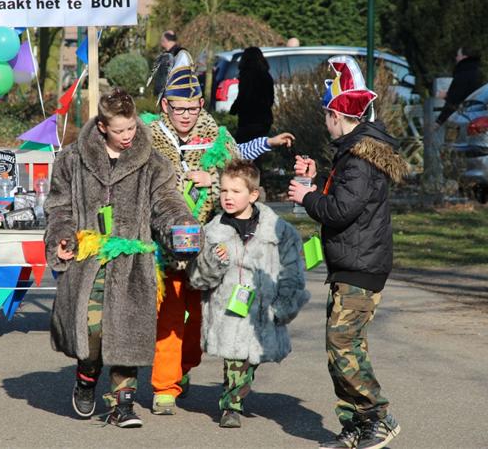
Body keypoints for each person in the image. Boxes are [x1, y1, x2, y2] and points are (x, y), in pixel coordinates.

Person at [44, 87, 196, 428]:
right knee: (92, 331)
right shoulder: (72, 160)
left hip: (133, 262)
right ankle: (87, 376)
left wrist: (181, 223)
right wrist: (61, 237)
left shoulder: (153, 163)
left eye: (131, 128)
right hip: (89, 258)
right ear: (102, 127)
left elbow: (166, 201)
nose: (127, 136)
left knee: (127, 331)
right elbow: (58, 206)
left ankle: (123, 404)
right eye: (119, 130)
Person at [287, 56, 406, 449]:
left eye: (326, 115)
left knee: (343, 344)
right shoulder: (355, 153)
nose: (325, 122)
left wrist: (306, 197)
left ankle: (378, 416)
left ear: (337, 115)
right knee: (341, 348)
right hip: (351, 263)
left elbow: (340, 210)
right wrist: (316, 179)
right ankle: (356, 423)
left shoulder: (359, 158)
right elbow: (345, 196)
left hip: (361, 266)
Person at [147, 64, 240, 415]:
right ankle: (164, 388)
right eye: (178, 108)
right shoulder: (148, 138)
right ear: (164, 105)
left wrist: (212, 181)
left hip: (206, 249)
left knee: (198, 322)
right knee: (169, 317)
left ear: (201, 104)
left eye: (192, 108)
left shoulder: (219, 139)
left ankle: (183, 367)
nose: (185, 115)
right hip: (164, 245)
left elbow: (242, 185)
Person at [188, 159, 309, 428]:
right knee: (235, 357)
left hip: (264, 307)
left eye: (235, 191)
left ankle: (238, 390)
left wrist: (285, 304)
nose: (228, 197)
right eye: (223, 191)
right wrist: (214, 261)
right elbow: (197, 278)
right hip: (227, 309)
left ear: (253, 194)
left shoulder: (279, 231)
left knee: (250, 359)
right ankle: (230, 405)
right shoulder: (211, 232)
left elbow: (293, 270)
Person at [230, 47, 275, 145]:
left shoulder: (246, 76)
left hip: (248, 119)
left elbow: (243, 97)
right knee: (259, 146)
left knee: (243, 147)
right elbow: (271, 99)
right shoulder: (266, 75)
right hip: (264, 119)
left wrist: (234, 109)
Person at [434, 46, 481, 127]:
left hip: (463, 121)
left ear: (464, 58)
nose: (456, 58)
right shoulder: (477, 72)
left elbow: (454, 101)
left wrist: (438, 121)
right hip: (476, 118)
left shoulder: (463, 74)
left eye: (458, 55)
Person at [149, 30, 193, 97]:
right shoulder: (166, 54)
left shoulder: (180, 54)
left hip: (173, 93)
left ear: (165, 40)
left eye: (162, 39)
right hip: (164, 93)